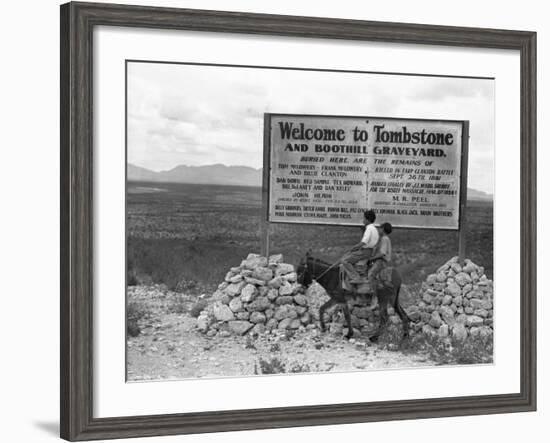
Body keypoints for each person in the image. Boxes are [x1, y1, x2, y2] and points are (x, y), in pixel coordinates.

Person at [340, 209, 379, 282]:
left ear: (368, 219)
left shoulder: (369, 229)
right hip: (370, 251)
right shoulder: (375, 229)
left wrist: (354, 248)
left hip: (365, 251)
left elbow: (363, 242)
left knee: (344, 260)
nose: (363, 220)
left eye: (364, 218)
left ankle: (356, 277)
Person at [367, 222, 393, 308]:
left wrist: (371, 259)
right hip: (380, 261)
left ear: (383, 229)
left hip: (381, 261)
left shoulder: (384, 239)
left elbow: (382, 253)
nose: (379, 230)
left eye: (380, 228)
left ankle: (374, 297)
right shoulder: (384, 238)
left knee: (371, 274)